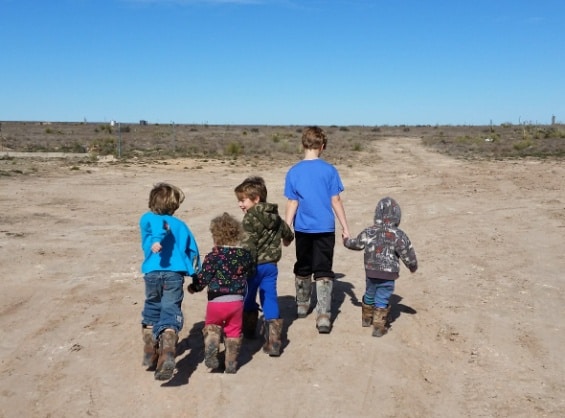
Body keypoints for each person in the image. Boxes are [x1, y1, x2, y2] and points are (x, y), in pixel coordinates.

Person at [284, 126, 351, 333]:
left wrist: (287, 228)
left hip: (303, 228)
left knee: (303, 265)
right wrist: (345, 227)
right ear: (322, 147)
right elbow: (336, 200)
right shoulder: (329, 170)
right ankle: (323, 314)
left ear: (303, 145)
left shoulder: (294, 171)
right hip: (325, 229)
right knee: (323, 268)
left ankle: (302, 304)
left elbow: (292, 203)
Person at [139, 182, 200, 380]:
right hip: (174, 274)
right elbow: (193, 251)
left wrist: (155, 239)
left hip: (152, 273)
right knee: (170, 308)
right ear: (174, 206)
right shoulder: (180, 226)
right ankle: (166, 349)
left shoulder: (146, 219)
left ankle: (150, 349)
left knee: (153, 306)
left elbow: (155, 223)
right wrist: (196, 273)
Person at [187, 212, 255, 374]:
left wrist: (195, 287)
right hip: (236, 302)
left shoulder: (213, 256)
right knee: (233, 331)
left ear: (215, 236)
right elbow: (252, 272)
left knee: (212, 327)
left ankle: (212, 342)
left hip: (216, 301)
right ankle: (231, 361)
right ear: (237, 234)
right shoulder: (244, 255)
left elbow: (204, 277)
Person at [234, 176, 294, 356]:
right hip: (270, 267)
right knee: (269, 298)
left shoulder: (249, 220)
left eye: (242, 200)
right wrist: (286, 240)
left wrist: (243, 267)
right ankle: (274, 340)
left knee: (248, 297)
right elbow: (288, 234)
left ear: (256, 199)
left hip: (254, 267)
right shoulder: (274, 217)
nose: (240, 204)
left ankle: (248, 329)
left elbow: (248, 246)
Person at [343, 197, 418, 337]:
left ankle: (366, 318)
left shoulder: (369, 232)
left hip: (371, 272)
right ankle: (378, 326)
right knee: (382, 297)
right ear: (397, 216)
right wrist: (412, 266)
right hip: (389, 274)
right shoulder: (399, 235)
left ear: (377, 214)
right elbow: (407, 252)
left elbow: (356, 244)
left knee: (370, 293)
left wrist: (346, 240)